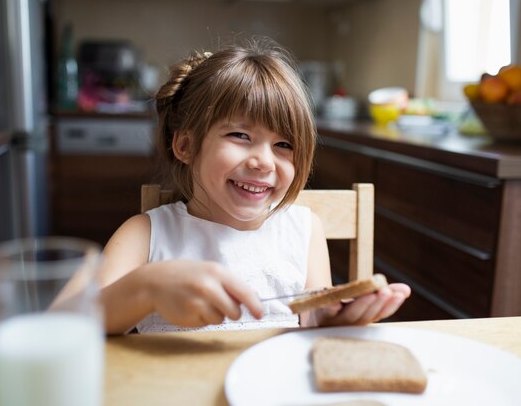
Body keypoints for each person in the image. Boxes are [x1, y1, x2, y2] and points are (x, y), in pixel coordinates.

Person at [97, 37, 411, 334]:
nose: (264, 162)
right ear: (186, 146)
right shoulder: (145, 234)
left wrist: (331, 319)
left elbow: (313, 318)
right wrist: (148, 288)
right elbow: (73, 323)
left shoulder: (304, 231)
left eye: (284, 144)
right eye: (240, 136)